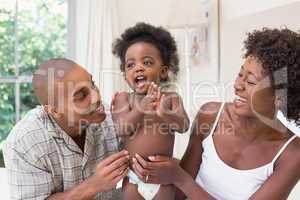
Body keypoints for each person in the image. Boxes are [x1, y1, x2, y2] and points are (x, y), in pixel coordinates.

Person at [131, 28, 300, 200]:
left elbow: (182, 181)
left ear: (280, 97)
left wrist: (179, 177)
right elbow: (177, 195)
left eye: (250, 81)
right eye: (240, 74)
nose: (237, 85)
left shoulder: (292, 153)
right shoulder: (210, 116)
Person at [3, 58, 129, 200]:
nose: (96, 97)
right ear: (54, 110)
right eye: (81, 95)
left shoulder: (111, 115)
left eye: (92, 84)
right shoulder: (25, 142)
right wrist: (93, 185)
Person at [111, 22, 190, 199]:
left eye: (146, 62)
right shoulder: (124, 99)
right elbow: (122, 129)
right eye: (130, 65)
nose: (138, 67)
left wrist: (165, 114)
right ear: (125, 75)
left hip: (163, 178)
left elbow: (184, 125)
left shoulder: (171, 98)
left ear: (162, 72)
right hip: (132, 177)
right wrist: (142, 106)